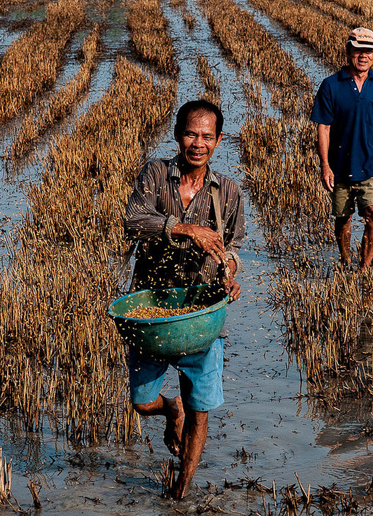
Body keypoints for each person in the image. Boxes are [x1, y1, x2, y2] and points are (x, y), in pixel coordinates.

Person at [123, 99, 245, 500]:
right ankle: (168, 409)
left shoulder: (227, 190)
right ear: (178, 136)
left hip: (202, 312)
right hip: (153, 306)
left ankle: (181, 489)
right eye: (191, 134)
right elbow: (134, 220)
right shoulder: (156, 174)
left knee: (201, 409)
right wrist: (185, 228)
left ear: (218, 140)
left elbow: (233, 249)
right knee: (142, 402)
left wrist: (229, 274)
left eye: (207, 136)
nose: (199, 143)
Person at [311, 27, 373, 272]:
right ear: (348, 51)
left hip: (371, 164)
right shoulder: (330, 85)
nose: (363, 55)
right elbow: (324, 129)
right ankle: (345, 260)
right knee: (343, 219)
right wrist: (325, 166)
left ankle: (364, 267)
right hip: (340, 165)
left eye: (368, 51)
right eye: (358, 50)